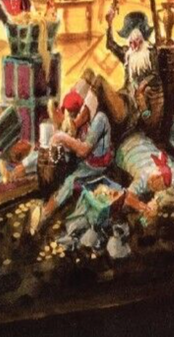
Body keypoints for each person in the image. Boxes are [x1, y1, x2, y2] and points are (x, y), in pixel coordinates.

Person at [26, 90, 113, 235]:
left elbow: (83, 150)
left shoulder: (99, 120)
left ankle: (45, 213)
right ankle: (19, 172)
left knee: (69, 182)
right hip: (83, 161)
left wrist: (63, 138)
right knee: (45, 154)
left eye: (80, 112)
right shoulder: (81, 122)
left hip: (96, 165)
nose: (77, 117)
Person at [84, 10, 163, 139]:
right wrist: (109, 24)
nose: (133, 46)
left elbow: (155, 75)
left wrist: (143, 85)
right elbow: (110, 45)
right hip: (123, 99)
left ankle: (77, 123)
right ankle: (76, 119)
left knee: (99, 81)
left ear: (142, 39)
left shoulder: (150, 54)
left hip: (130, 112)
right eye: (130, 42)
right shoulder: (128, 54)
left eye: (136, 42)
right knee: (88, 74)